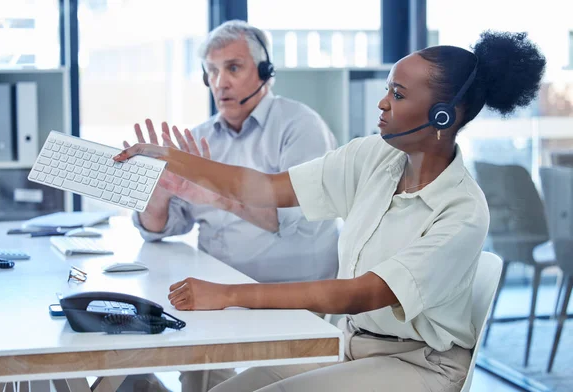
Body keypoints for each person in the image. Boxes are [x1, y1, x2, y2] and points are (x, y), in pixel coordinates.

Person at [115, 31, 546, 392]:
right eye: (386, 90)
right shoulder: (372, 157)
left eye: (396, 94)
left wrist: (228, 295)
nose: (382, 104)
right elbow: (266, 189)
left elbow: (359, 294)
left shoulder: (462, 212)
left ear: (441, 116)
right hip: (352, 342)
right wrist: (174, 158)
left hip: (420, 365)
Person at [120, 20, 339, 392]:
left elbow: (289, 221)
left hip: (290, 295)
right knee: (139, 365)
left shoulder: (300, 127)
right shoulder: (202, 138)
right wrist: (156, 189)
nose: (220, 82)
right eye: (212, 71)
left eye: (233, 68)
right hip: (217, 296)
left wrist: (215, 196)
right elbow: (157, 230)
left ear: (265, 71)